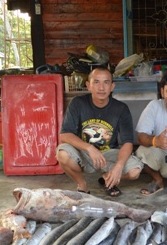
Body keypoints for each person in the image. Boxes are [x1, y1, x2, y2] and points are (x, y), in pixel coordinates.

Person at [56, 66, 142, 196]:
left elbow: (127, 142)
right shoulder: (77, 103)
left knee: (134, 171)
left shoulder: (121, 108)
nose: (101, 88)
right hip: (84, 153)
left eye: (106, 82)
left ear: (112, 86)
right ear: (88, 85)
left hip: (109, 153)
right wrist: (89, 148)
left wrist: (118, 166)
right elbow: (65, 135)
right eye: (96, 82)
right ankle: (82, 184)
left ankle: (108, 179)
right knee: (62, 153)